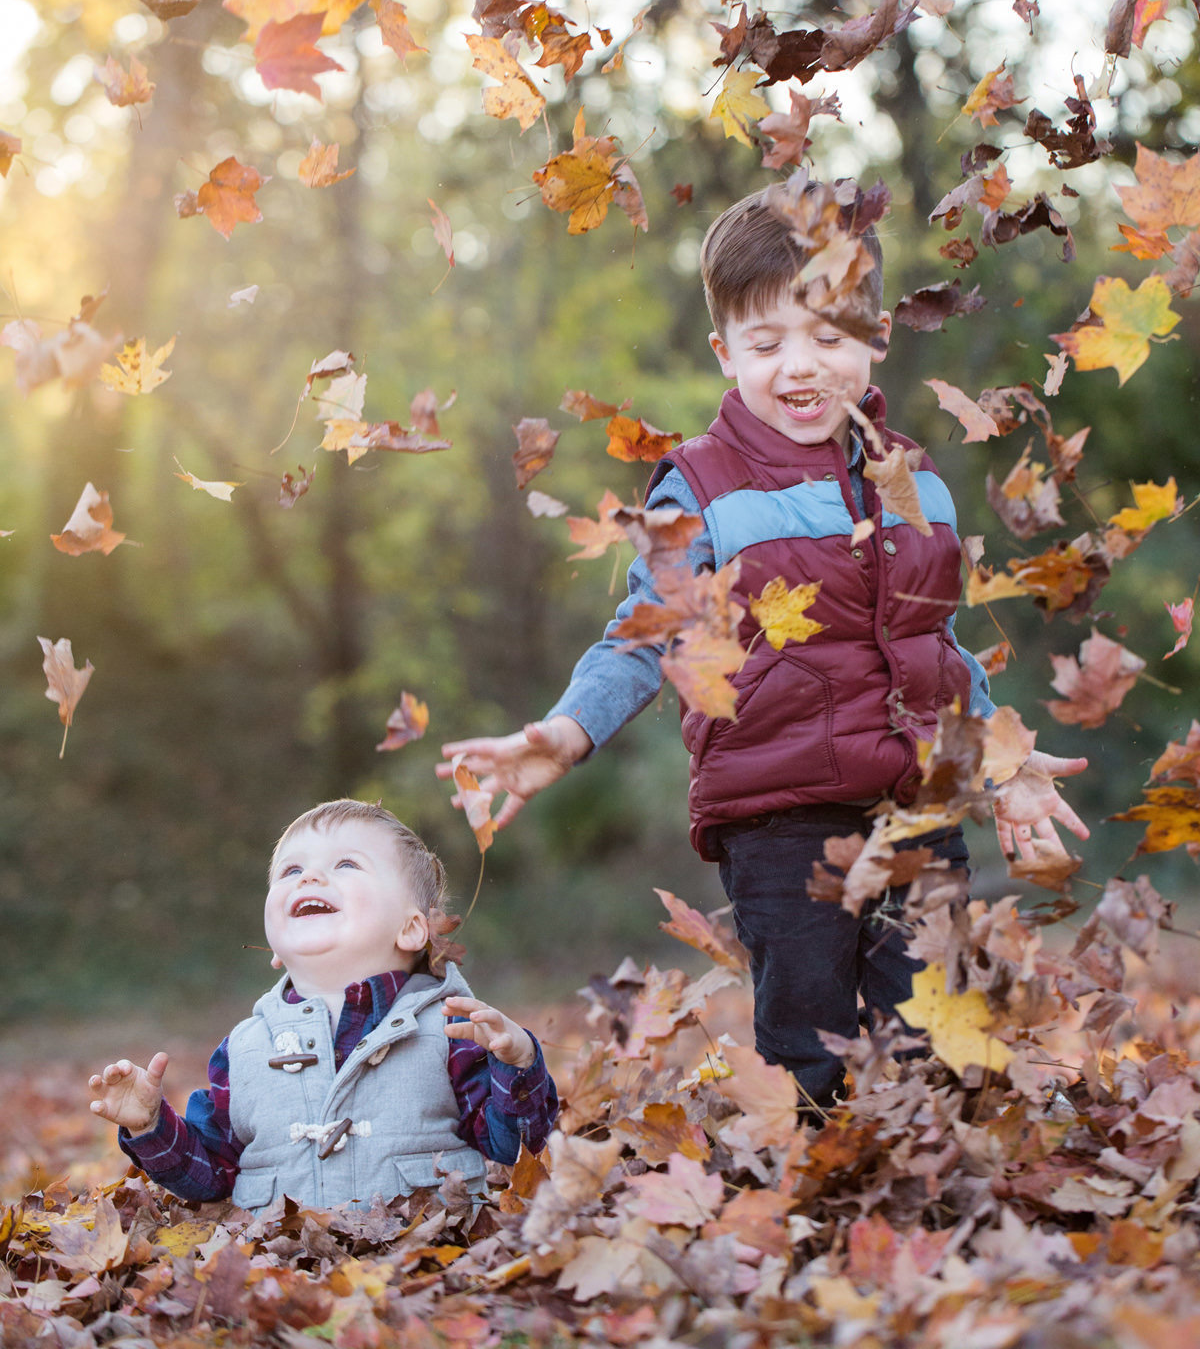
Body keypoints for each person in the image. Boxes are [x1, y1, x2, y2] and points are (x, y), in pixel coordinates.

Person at [437, 181, 1088, 1116]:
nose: (801, 367)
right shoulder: (701, 486)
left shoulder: (915, 482)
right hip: (779, 814)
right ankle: (816, 1194)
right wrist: (565, 732)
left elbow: (934, 642)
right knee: (811, 1035)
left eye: (829, 336)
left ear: (875, 338)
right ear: (724, 351)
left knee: (935, 1029)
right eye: (767, 341)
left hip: (912, 806)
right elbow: (645, 632)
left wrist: (1004, 756)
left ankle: (931, 1202)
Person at [87, 799, 557, 1208]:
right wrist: (151, 1128)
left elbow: (513, 1150)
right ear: (275, 947)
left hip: (425, 1266)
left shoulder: (451, 1029)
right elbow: (211, 1174)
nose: (309, 875)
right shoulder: (246, 1049)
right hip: (284, 1278)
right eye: (291, 871)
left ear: (412, 929)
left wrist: (518, 1064)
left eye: (346, 865)